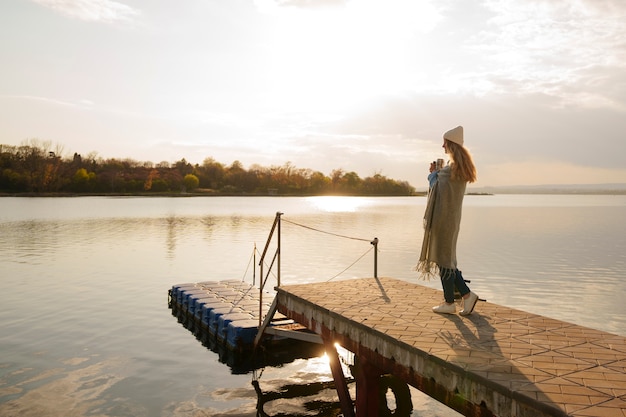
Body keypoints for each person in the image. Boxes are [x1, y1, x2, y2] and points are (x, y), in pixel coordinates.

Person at [416, 125, 479, 315]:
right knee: (446, 259)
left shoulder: (452, 169)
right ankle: (461, 298)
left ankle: (455, 300)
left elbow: (437, 189)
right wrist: (437, 173)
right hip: (450, 219)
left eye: (445, 142)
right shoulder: (460, 168)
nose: (442, 145)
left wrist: (432, 174)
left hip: (444, 219)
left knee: (444, 259)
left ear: (451, 144)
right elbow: (443, 188)